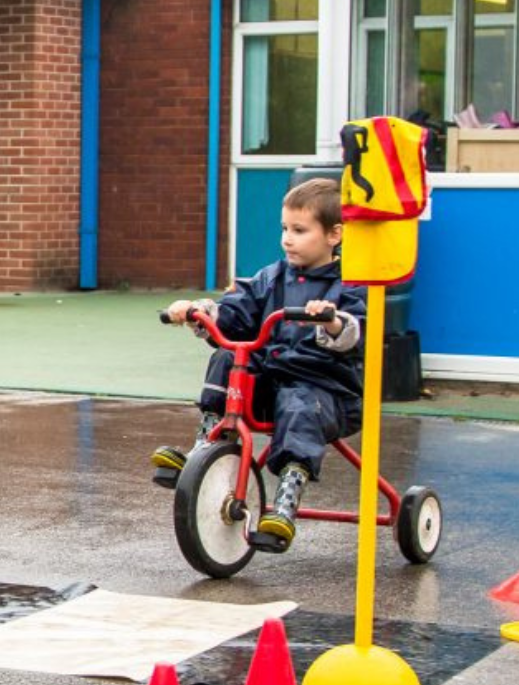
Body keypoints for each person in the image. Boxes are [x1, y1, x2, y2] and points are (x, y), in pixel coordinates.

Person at [150, 178, 367, 553]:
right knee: (227, 356)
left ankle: (285, 500)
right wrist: (200, 312)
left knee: (300, 403)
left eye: (300, 230)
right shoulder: (271, 278)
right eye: (285, 228)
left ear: (335, 235)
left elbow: (353, 331)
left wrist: (331, 321)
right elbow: (235, 312)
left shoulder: (348, 287)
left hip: (327, 396)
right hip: (271, 386)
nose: (288, 239)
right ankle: (208, 441)